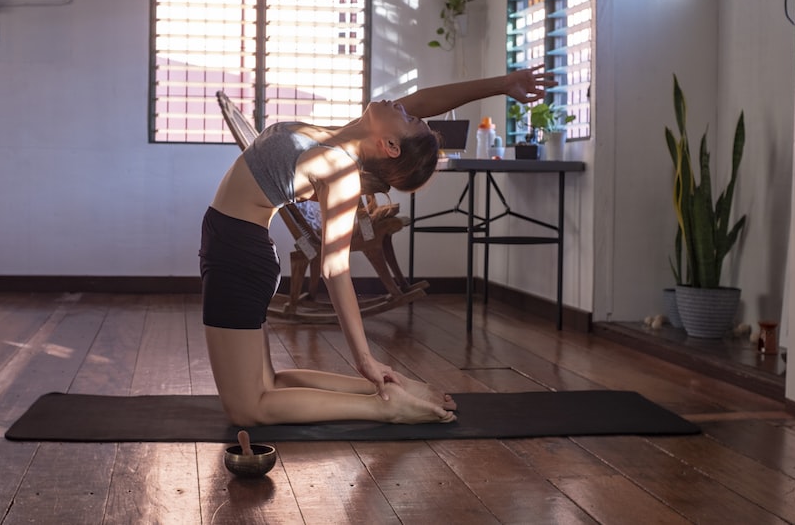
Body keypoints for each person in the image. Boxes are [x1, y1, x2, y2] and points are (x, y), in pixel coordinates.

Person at [200, 65, 556, 427]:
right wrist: (502, 83)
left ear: (389, 145)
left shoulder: (338, 169)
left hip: (238, 256)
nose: (405, 107)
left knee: (249, 409)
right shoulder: (338, 138)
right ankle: (390, 389)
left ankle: (386, 407)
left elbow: (334, 268)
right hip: (235, 247)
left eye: (408, 118)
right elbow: (425, 99)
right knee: (268, 385)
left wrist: (364, 357)